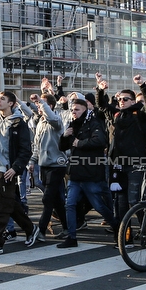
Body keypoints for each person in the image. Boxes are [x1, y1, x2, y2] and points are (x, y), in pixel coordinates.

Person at [0, 87, 40, 255]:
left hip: (8, 171)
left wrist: (15, 168)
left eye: (2, 99)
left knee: (1, 207)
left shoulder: (18, 123)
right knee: (11, 204)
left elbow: (25, 150)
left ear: (11, 103)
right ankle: (31, 229)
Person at [95, 73, 146, 218]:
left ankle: (145, 228)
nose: (121, 101)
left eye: (125, 99)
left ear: (132, 100)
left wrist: (142, 86)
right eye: (119, 99)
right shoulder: (115, 114)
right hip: (118, 164)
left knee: (134, 200)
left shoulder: (140, 114)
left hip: (136, 164)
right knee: (121, 202)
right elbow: (102, 106)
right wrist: (100, 89)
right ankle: (125, 235)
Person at [59, 98, 117, 249]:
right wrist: (64, 136)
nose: (74, 112)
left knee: (99, 205)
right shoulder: (72, 125)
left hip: (90, 173)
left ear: (85, 110)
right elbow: (63, 147)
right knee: (69, 204)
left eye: (77, 109)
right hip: (75, 173)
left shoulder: (94, 123)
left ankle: (118, 227)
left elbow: (100, 141)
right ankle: (72, 237)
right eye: (72, 110)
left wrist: (80, 143)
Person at [29, 93, 69, 240]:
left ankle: (41, 230)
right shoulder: (40, 123)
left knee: (47, 198)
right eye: (39, 104)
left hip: (57, 166)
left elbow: (51, 117)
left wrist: (41, 102)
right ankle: (67, 228)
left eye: (42, 104)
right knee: (56, 199)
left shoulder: (57, 121)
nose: (39, 107)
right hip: (44, 165)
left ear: (50, 106)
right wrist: (32, 161)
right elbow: (37, 146)